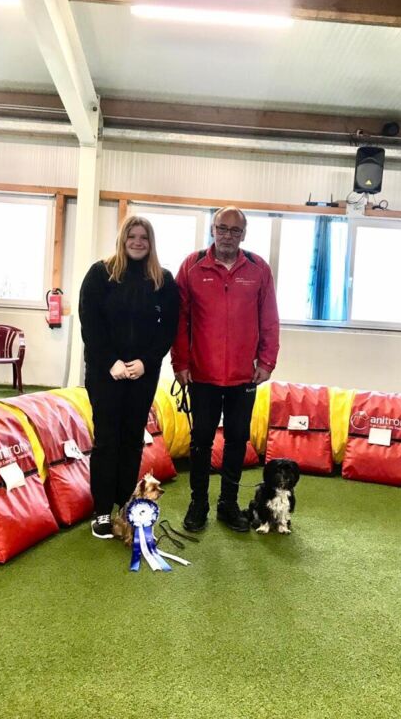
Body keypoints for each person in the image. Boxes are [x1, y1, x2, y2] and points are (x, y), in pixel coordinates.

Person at [172, 206, 280, 533]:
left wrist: (267, 362)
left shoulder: (258, 269)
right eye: (222, 228)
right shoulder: (191, 266)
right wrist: (180, 363)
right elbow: (179, 320)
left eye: (235, 230)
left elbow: (269, 319)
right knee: (201, 441)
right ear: (213, 229)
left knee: (236, 440)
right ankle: (198, 504)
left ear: (243, 234)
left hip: (243, 376)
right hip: (201, 375)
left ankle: (228, 504)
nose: (228, 236)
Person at [79, 215, 179, 539]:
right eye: (131, 236)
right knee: (107, 440)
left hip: (142, 374)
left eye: (143, 238)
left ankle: (125, 505)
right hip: (105, 372)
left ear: (151, 243)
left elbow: (168, 328)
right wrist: (111, 362)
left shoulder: (163, 280)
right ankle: (102, 511)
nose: (137, 242)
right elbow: (90, 323)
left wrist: (146, 362)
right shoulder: (100, 274)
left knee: (133, 439)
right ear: (122, 240)